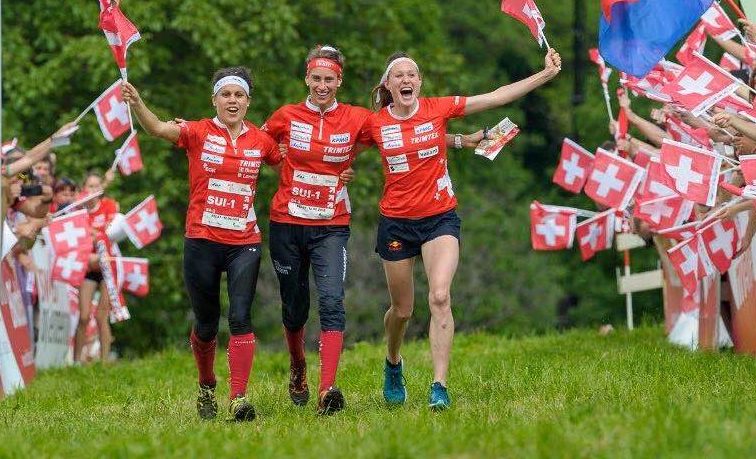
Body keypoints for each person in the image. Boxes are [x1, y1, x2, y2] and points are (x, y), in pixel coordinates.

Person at [369, 47, 562, 410]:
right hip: (396, 223)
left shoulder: (438, 108)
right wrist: (340, 171)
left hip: (439, 217)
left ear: (419, 82)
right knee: (402, 310)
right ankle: (393, 363)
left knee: (440, 296)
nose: (406, 80)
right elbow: (340, 146)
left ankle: (439, 386)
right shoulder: (374, 123)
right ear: (388, 86)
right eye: (399, 76)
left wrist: (545, 75)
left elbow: (495, 97)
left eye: (412, 75)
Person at [122, 67, 281, 422]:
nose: (232, 101)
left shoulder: (261, 141)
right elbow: (156, 128)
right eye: (226, 94)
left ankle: (238, 397)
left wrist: (339, 172)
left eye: (239, 95)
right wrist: (137, 102)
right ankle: (207, 384)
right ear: (214, 100)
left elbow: (292, 169)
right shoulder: (197, 131)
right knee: (207, 323)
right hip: (202, 240)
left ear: (248, 102)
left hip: (244, 241)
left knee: (240, 316)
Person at [259, 46, 371, 415]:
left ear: (339, 81)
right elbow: (254, 144)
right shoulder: (286, 115)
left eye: (329, 80)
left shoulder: (356, 117)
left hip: (331, 226)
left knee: (332, 301)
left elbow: (396, 132)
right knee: (295, 307)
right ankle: (297, 366)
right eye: (317, 79)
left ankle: (327, 389)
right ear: (307, 78)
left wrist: (459, 139)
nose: (322, 86)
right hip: (287, 224)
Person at [73, 171, 120, 363]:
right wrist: (92, 242)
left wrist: (93, 235)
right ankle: (76, 362)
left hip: (108, 267)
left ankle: (104, 363)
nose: (93, 190)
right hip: (89, 268)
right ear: (83, 189)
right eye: (89, 186)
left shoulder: (109, 205)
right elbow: (78, 238)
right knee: (84, 316)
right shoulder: (79, 211)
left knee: (102, 316)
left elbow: (111, 233)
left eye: (96, 186)